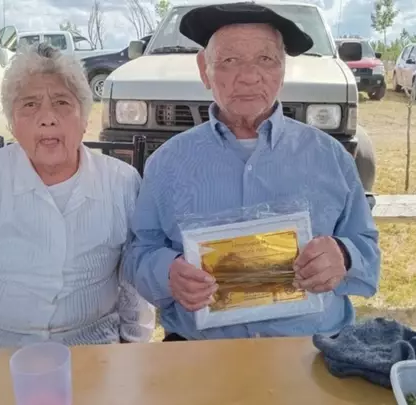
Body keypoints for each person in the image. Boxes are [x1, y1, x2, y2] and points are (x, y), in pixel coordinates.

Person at [125, 3, 380, 341]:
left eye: (265, 59)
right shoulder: (167, 163)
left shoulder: (331, 157)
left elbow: (367, 251)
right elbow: (139, 252)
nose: (249, 76)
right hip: (200, 352)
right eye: (230, 61)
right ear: (204, 70)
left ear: (282, 70)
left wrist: (344, 257)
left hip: (311, 350)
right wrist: (167, 273)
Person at [0, 43, 155, 349]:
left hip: (92, 350)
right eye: (29, 104)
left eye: (62, 102)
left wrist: (133, 349)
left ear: (84, 118)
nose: (47, 117)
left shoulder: (121, 182)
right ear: (12, 123)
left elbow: (135, 284)